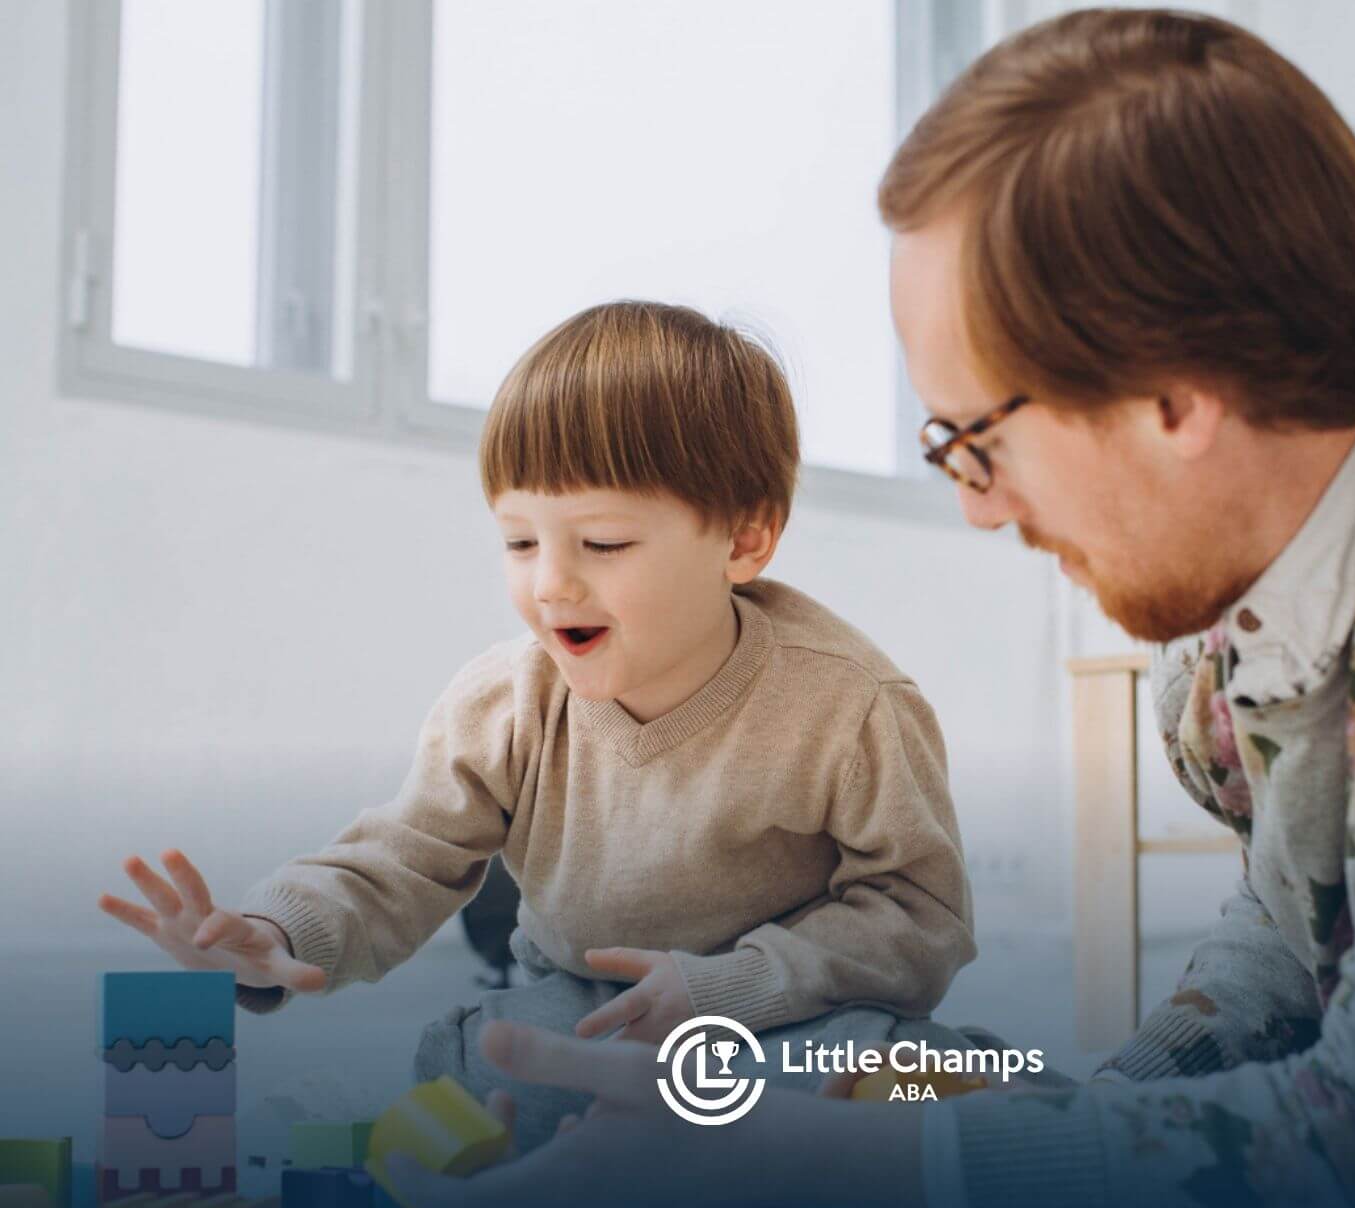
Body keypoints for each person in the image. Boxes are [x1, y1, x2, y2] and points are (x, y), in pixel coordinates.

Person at [383, 7, 1355, 1208]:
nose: (975, 507)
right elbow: (1300, 931)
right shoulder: (1239, 599)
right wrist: (1069, 1117)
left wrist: (833, 1159)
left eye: (978, 439)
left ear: (1172, 398)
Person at [97, 300, 978, 1149]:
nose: (551, 584)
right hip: (586, 1007)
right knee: (494, 1066)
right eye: (520, 542)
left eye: (602, 544)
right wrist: (278, 933)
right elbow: (402, 858)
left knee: (892, 1070)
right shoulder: (506, 700)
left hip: (790, 1012)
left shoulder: (848, 702)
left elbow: (919, 915)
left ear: (744, 541)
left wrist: (726, 990)